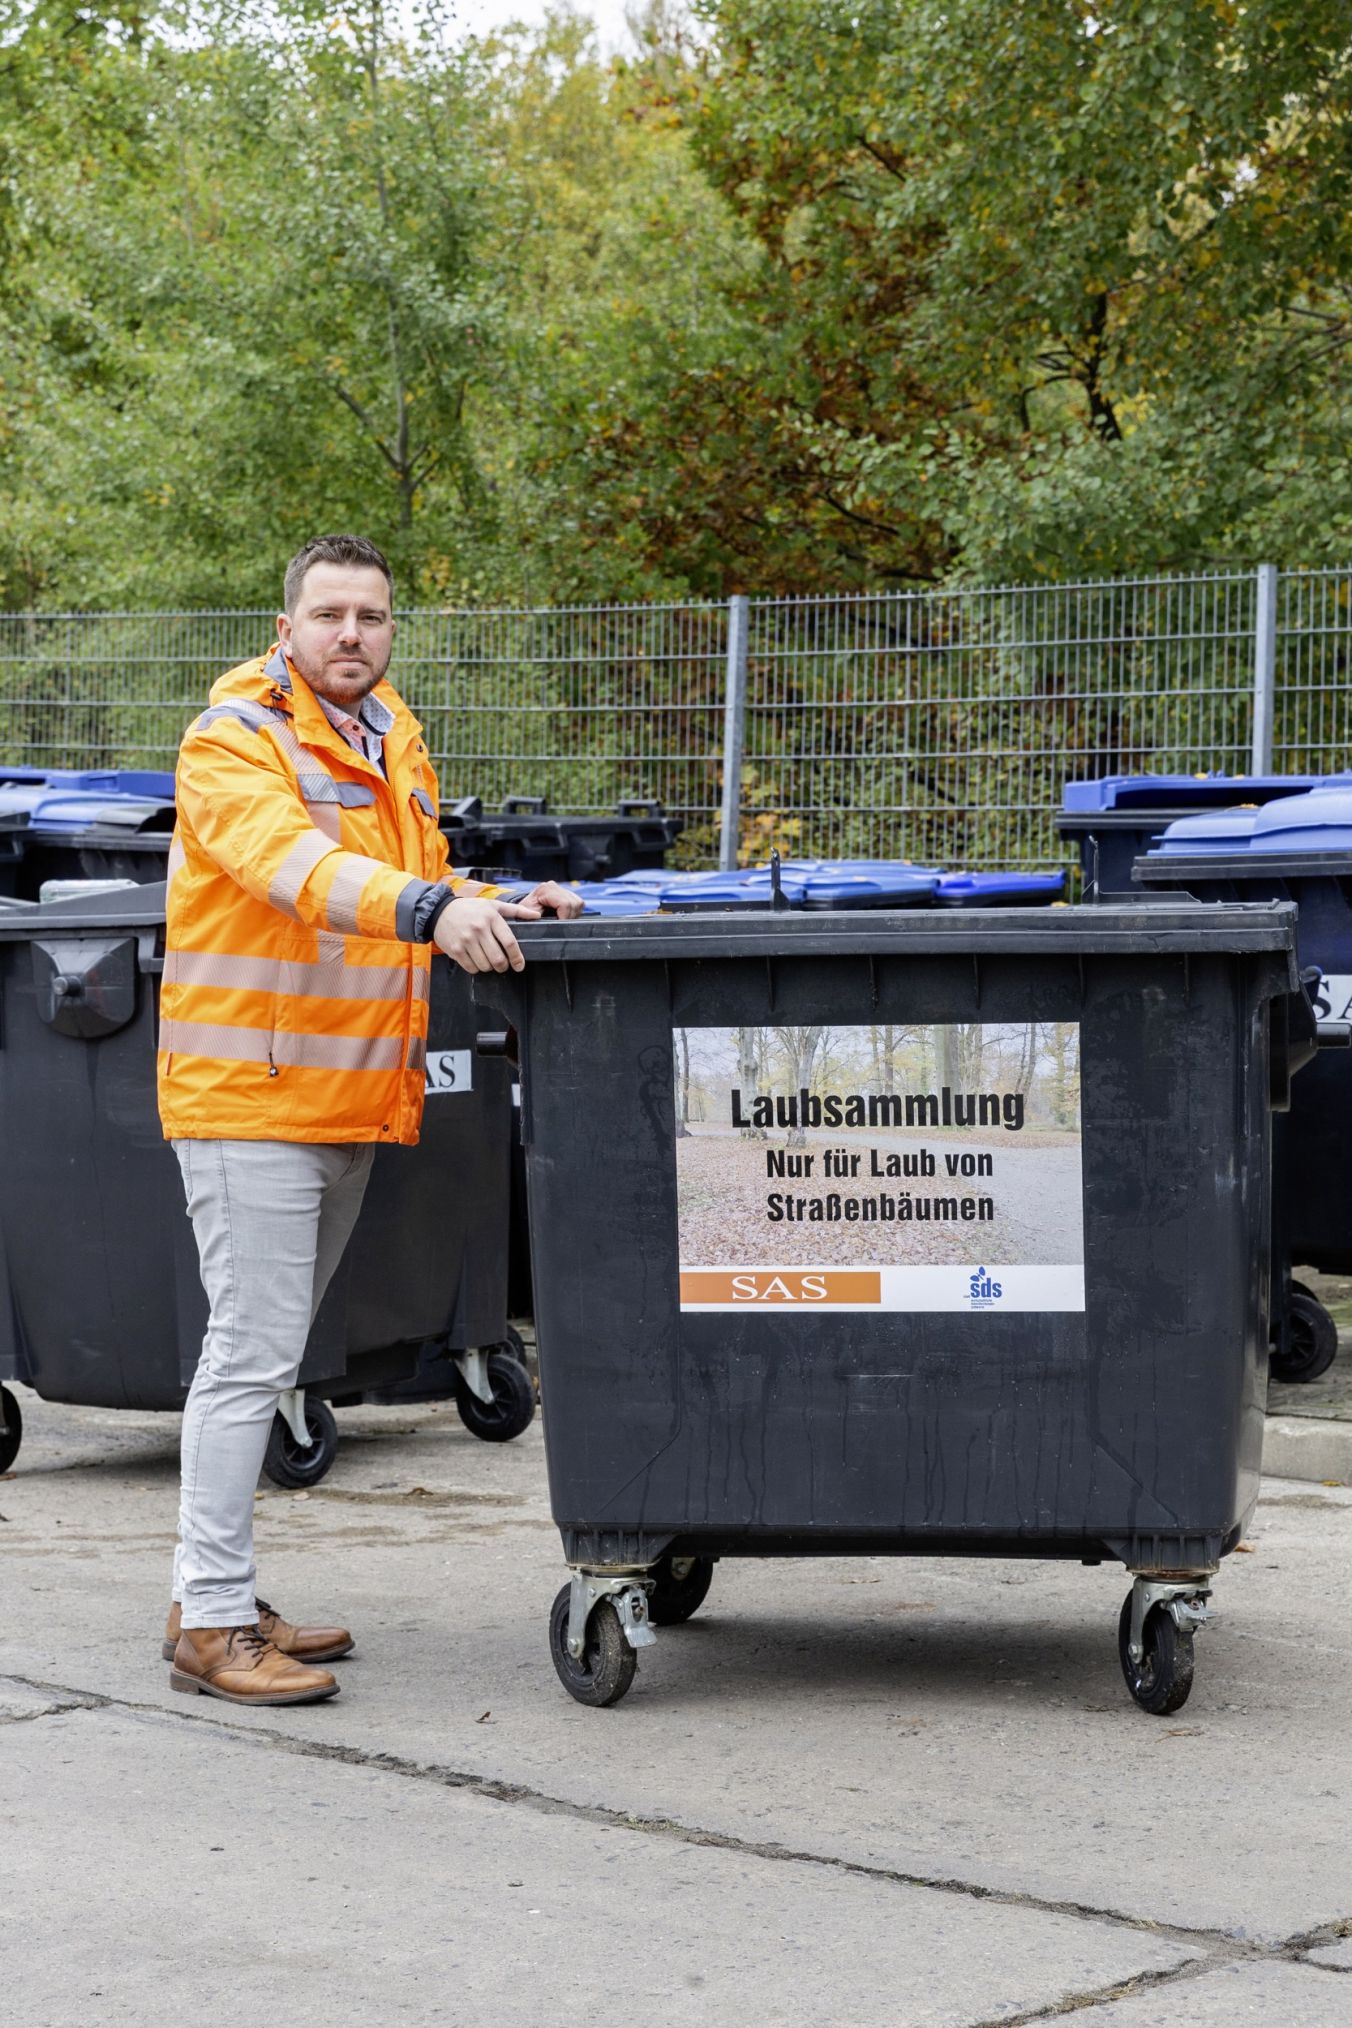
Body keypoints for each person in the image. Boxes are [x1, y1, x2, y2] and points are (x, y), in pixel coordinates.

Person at [156, 532, 580, 1707]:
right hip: (253, 1098)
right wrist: (435, 910)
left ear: (392, 630)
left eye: (372, 616)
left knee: (268, 1352)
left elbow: (412, 872)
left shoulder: (387, 735)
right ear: (285, 627)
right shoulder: (234, 739)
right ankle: (213, 1623)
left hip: (342, 1094)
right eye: (330, 614)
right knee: (248, 1355)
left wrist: (495, 899)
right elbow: (296, 867)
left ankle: (211, 1597)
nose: (351, 634)